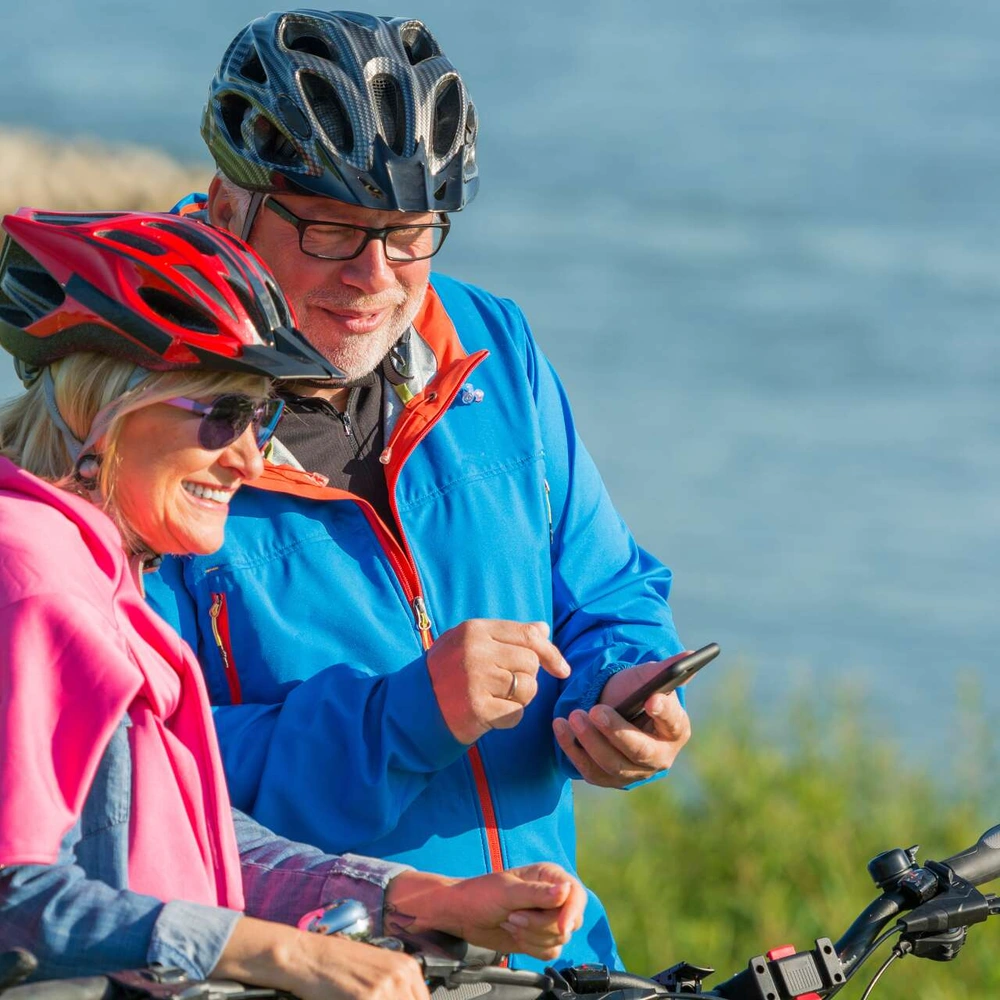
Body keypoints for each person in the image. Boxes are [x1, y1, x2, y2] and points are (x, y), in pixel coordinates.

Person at [146, 10, 692, 969]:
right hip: (313, 973)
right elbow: (141, 775)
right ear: (232, 206)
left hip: (550, 965)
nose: (374, 278)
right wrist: (404, 714)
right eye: (330, 230)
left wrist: (622, 690)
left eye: (409, 234)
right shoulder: (138, 418)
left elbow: (607, 593)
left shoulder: (492, 346)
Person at [0, 207, 587, 996]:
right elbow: (14, 898)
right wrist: (277, 954)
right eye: (222, 415)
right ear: (96, 410)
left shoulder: (98, 573)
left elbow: (179, 836)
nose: (248, 459)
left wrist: (404, 900)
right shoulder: (30, 582)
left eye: (263, 413)